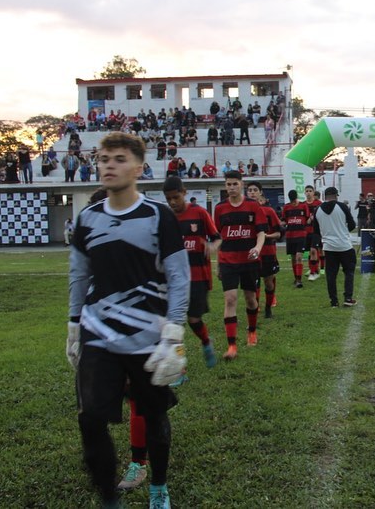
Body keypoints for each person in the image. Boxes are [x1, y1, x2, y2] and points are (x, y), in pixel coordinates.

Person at [67, 132, 189, 508]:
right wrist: (74, 327)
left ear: (138, 168)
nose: (108, 165)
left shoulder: (158, 216)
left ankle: (158, 488)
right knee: (91, 420)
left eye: (119, 159)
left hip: (148, 334)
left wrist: (173, 333)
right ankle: (109, 499)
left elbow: (179, 277)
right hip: (98, 333)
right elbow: (79, 275)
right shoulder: (87, 219)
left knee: (153, 415)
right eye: (103, 158)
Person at [162, 176, 220, 369]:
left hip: (197, 278)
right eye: (168, 198)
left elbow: (217, 238)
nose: (172, 202)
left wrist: (212, 246)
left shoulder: (200, 213)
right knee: (174, 325)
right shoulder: (165, 218)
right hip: (173, 279)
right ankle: (179, 368)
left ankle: (205, 342)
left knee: (194, 319)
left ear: (184, 193)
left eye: (176, 197)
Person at [214, 170, 268, 358]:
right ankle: (232, 346)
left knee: (251, 300)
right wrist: (218, 264)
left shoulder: (253, 206)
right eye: (228, 184)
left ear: (241, 185)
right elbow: (219, 237)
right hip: (228, 260)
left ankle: (252, 330)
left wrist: (258, 248)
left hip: (249, 261)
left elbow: (261, 231)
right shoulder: (219, 208)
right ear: (225, 186)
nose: (231, 188)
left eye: (234, 184)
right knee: (230, 299)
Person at [313, 187, 357, 307]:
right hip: (344, 245)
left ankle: (334, 301)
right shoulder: (342, 207)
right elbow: (352, 225)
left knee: (331, 275)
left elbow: (316, 230)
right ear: (336, 195)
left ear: (324, 196)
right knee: (349, 272)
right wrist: (342, 230)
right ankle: (348, 298)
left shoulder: (317, 210)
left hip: (328, 246)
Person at [247, 182, 281, 318]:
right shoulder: (243, 212)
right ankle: (255, 307)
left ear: (260, 193)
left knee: (268, 282)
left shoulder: (269, 211)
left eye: (255, 190)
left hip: (268, 253)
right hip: (251, 254)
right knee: (253, 284)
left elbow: (278, 233)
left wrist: (266, 236)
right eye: (249, 190)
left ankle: (268, 308)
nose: (252, 193)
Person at [282, 189, 311, 288]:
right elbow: (284, 221)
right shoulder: (286, 207)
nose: (293, 203)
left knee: (299, 256)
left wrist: (311, 219)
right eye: (292, 201)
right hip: (290, 236)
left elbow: (308, 220)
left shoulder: (303, 206)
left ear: (296, 198)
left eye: (294, 201)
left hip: (301, 235)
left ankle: (299, 280)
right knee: (293, 257)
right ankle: (296, 277)